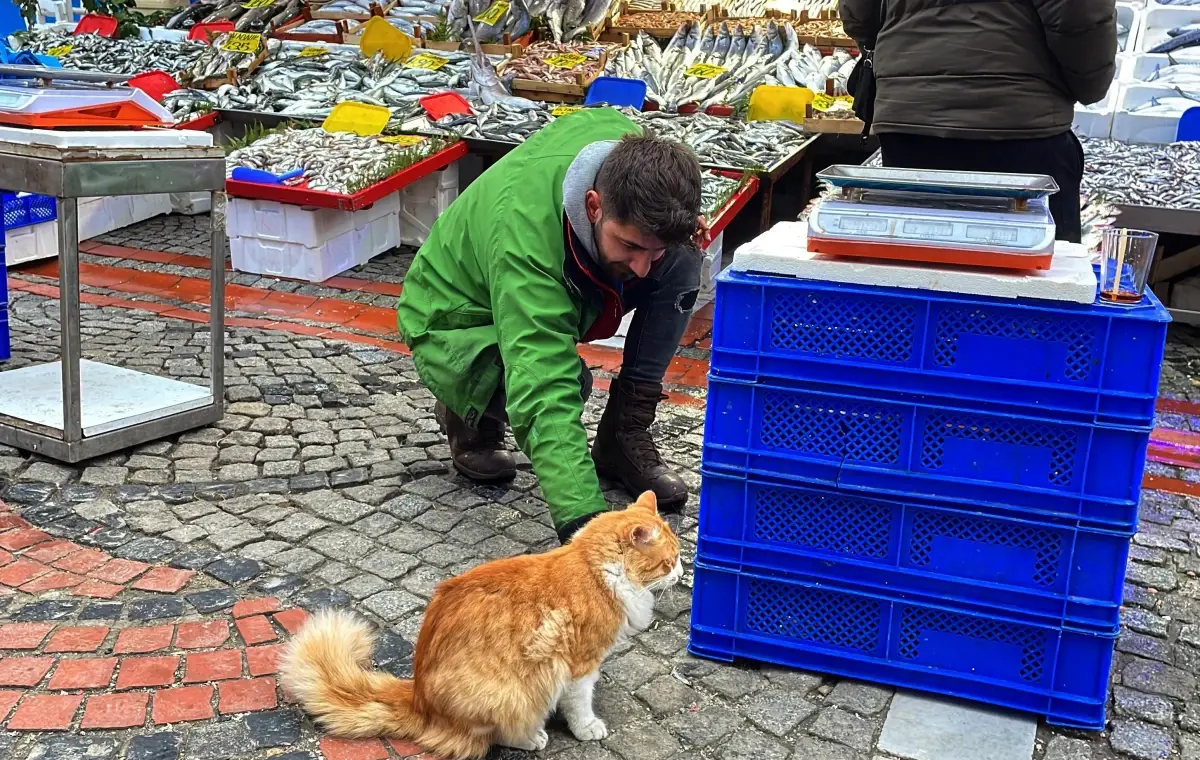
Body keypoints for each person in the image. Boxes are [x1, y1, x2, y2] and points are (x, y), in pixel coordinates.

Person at [397, 108, 704, 544]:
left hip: (541, 272)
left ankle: (622, 434)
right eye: (630, 246)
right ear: (593, 206)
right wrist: (586, 527)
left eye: (647, 250)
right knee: (567, 384)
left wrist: (673, 238)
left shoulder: (631, 155)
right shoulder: (526, 244)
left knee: (681, 260)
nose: (640, 266)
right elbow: (543, 385)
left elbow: (662, 217)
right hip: (458, 316)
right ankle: (468, 405)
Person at [838, 0, 1117, 242]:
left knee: (924, 264)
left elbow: (859, 15)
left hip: (910, 120)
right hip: (1018, 124)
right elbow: (1079, 15)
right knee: (1036, 279)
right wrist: (1089, 85)